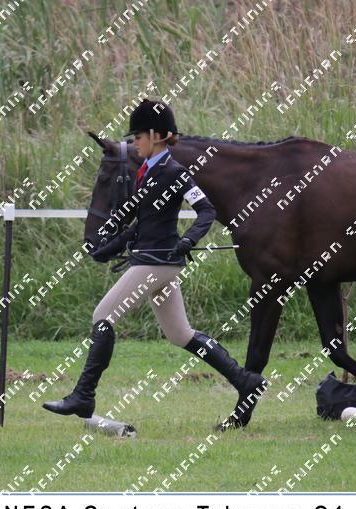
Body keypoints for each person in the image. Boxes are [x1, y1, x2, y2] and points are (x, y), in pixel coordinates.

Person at [42, 98, 267, 430]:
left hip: (156, 263)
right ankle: (246, 381)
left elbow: (207, 211)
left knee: (102, 316)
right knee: (180, 334)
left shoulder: (175, 173)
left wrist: (189, 240)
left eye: (138, 137)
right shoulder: (146, 171)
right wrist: (108, 248)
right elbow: (139, 225)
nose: (134, 143)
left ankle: (83, 396)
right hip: (156, 263)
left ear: (157, 136)